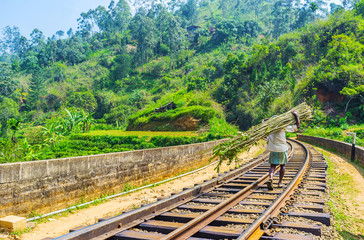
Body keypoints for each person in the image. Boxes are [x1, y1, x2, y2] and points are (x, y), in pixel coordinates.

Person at [264, 111, 300, 190]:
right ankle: (279, 183)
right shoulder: (283, 126)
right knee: (282, 165)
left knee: (272, 165)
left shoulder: (269, 127)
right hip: (282, 149)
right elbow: (297, 127)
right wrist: (296, 116)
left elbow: (263, 121)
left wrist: (269, 119)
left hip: (273, 149)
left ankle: (270, 178)